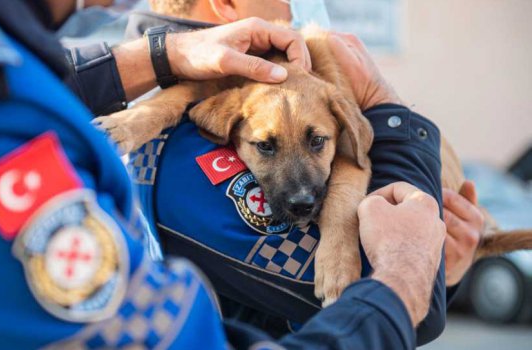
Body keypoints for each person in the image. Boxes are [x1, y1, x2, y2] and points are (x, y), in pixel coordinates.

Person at [0, 0, 444, 349]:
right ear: (225, 3)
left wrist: (164, 55)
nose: (299, 15)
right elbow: (405, 291)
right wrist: (393, 119)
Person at [122, 0, 481, 345]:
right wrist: (380, 101)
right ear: (227, 4)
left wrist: (445, 270)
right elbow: (395, 293)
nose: (300, 10)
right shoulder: (187, 141)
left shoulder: (283, 91)